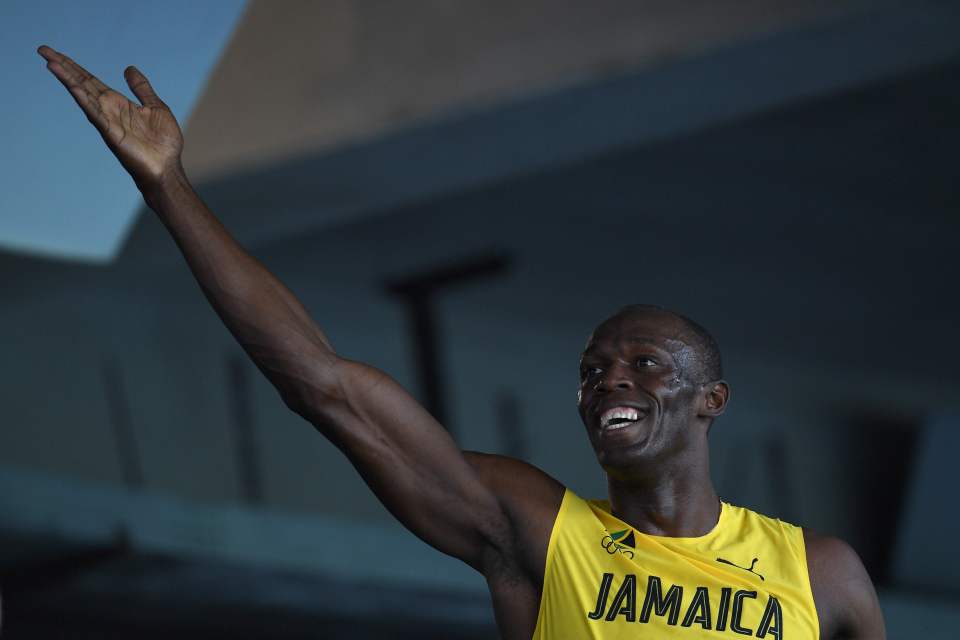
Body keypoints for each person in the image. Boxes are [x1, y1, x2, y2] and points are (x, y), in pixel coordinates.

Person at [37, 45, 885, 639]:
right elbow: (322, 387)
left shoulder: (818, 573)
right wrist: (168, 186)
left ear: (712, 401)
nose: (607, 382)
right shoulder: (536, 528)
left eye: (644, 365)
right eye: (592, 371)